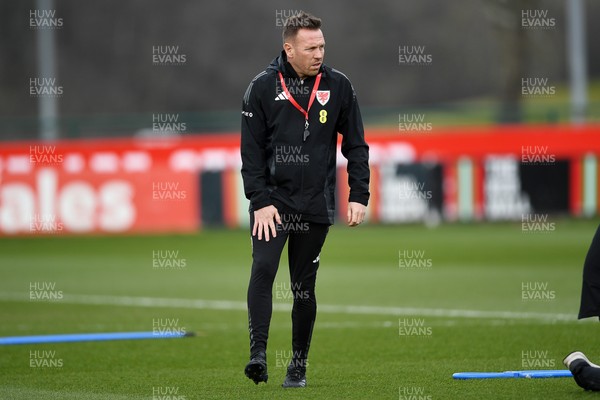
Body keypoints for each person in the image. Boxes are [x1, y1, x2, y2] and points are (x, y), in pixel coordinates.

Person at [240, 10, 370, 388]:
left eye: (322, 46)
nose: (319, 54)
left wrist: (359, 194)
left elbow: (357, 146)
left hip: (315, 203)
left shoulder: (340, 86)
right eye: (311, 47)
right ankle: (258, 356)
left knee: (303, 287)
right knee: (263, 270)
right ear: (289, 49)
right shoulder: (261, 88)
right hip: (272, 203)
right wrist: (259, 199)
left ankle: (297, 365)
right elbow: (250, 153)